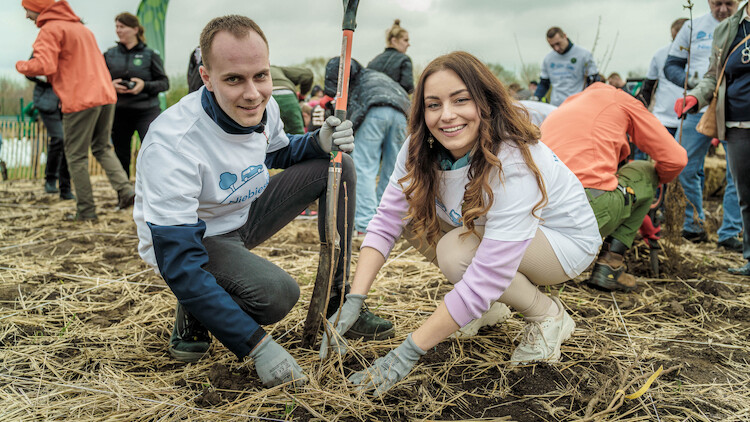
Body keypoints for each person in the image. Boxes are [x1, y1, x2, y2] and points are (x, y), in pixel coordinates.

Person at [318, 51, 602, 396]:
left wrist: (406, 353)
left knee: (456, 253)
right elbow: (386, 219)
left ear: (485, 102)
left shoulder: (511, 159)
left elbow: (489, 273)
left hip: (562, 244)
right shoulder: (419, 147)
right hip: (492, 233)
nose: (446, 115)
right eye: (433, 104)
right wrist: (355, 298)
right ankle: (491, 306)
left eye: (461, 100)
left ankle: (547, 315)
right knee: (411, 215)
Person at [133, 15, 392, 388]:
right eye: (234, 79)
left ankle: (336, 306)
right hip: (197, 237)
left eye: (261, 76)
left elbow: (279, 152)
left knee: (339, 166)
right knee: (276, 296)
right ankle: (194, 307)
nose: (253, 93)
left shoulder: (263, 108)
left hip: (244, 209)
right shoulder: (173, 144)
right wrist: (256, 345)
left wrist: (318, 141)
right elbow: (178, 261)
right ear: (207, 78)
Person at [542, 83, 688, 292]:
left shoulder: (568, 103)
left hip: (539, 213)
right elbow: (676, 159)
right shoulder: (622, 100)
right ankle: (610, 265)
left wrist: (635, 206)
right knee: (644, 170)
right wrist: (649, 191)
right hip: (583, 212)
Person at [16, 0, 135, 221]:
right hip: (106, 95)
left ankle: (87, 211)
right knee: (102, 147)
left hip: (81, 99)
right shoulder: (81, 28)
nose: (26, 16)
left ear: (38, 7)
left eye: (27, 10)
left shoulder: (51, 29)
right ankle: (126, 190)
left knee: (76, 155)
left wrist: (21, 65)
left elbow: (44, 66)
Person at [675, 1, 750, 274]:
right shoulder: (725, 30)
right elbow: (712, 75)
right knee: (744, 192)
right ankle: (747, 256)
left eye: (727, 2)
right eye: (716, 2)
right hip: (730, 118)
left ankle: (735, 237)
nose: (721, 7)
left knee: (743, 187)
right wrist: (695, 95)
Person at [324, 57, 410, 234]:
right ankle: (388, 223)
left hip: (374, 112)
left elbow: (352, 114)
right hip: (401, 113)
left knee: (364, 168)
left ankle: (365, 225)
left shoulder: (354, 85)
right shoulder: (376, 77)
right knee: (394, 172)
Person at [104, 12, 169, 178]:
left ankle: (153, 188)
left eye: (122, 26)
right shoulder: (109, 55)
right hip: (119, 111)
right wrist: (110, 86)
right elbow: (97, 82)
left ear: (134, 29)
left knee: (152, 151)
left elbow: (164, 83)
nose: (118, 30)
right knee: (121, 154)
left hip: (146, 111)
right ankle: (125, 194)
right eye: (116, 27)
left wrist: (144, 86)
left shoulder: (150, 54)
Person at [27, 75, 73, 200]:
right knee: (59, 138)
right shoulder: (45, 54)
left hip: (69, 101)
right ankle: (51, 179)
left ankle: (65, 188)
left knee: (68, 142)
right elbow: (30, 72)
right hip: (47, 101)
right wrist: (50, 77)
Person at [533, 27, 599, 106]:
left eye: (558, 44)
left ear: (564, 36)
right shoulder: (548, 59)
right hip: (556, 106)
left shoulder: (583, 55)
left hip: (577, 104)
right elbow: (544, 84)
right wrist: (536, 98)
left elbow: (593, 82)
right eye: (552, 46)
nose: (556, 48)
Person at [367, 19, 414, 94]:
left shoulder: (374, 61)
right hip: (393, 103)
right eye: (405, 40)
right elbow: (408, 87)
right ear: (394, 41)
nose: (408, 44)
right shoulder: (404, 60)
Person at [270, 65, 313, 134]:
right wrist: (302, 95)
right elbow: (307, 74)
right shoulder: (278, 69)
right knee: (297, 134)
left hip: (267, 98)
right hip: (288, 96)